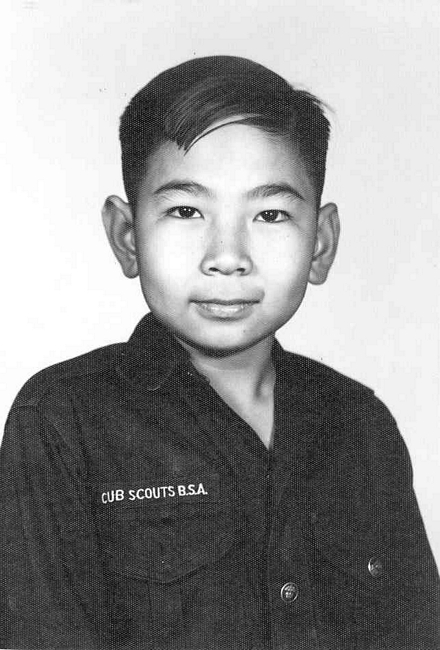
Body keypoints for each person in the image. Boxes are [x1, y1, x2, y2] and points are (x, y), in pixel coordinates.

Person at [0, 55, 438, 650]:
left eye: (270, 213)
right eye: (186, 211)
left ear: (321, 243)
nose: (227, 255)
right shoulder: (61, 420)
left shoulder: (361, 425)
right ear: (126, 237)